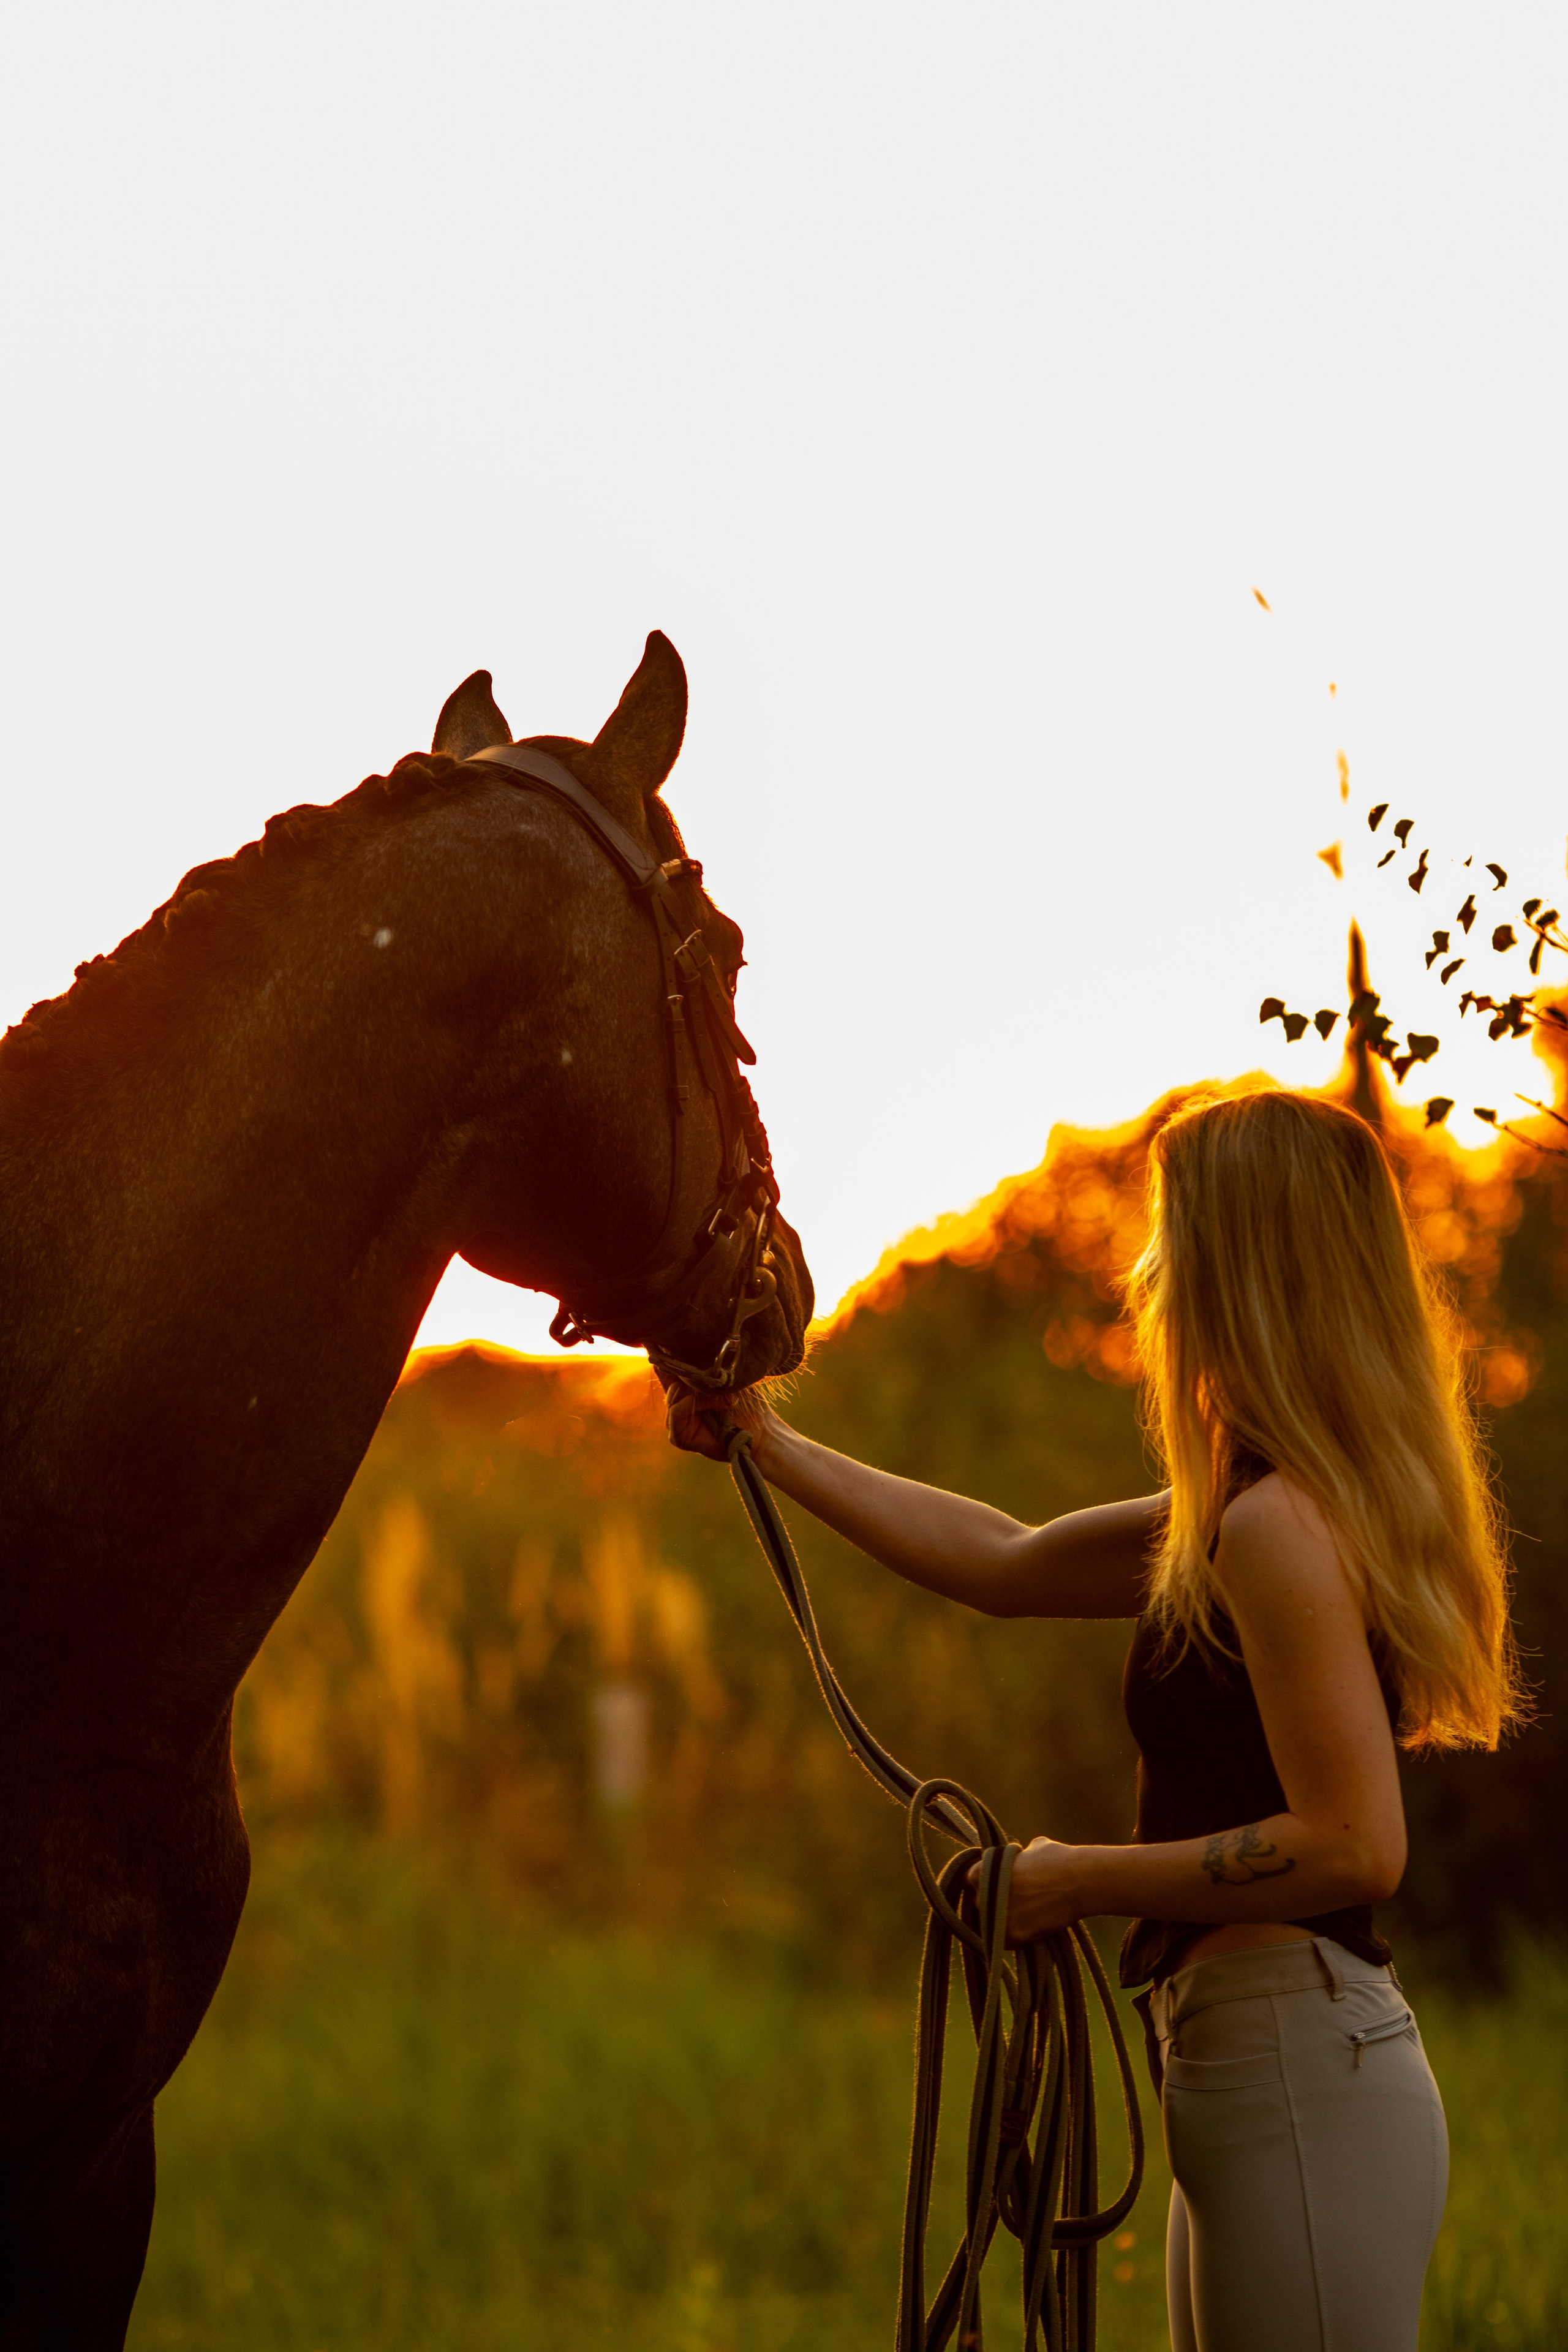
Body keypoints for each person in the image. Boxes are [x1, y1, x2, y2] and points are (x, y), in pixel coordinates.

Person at [671, 1088, 1523, 2352]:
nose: (1147, 1275)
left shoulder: (1274, 1528)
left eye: (1171, 1244)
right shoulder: (1245, 1513)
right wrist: (764, 1443)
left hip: (1290, 2064)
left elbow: (1354, 1846)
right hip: (1251, 2064)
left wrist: (1074, 1881)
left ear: (1239, 1268)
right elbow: (1005, 1562)